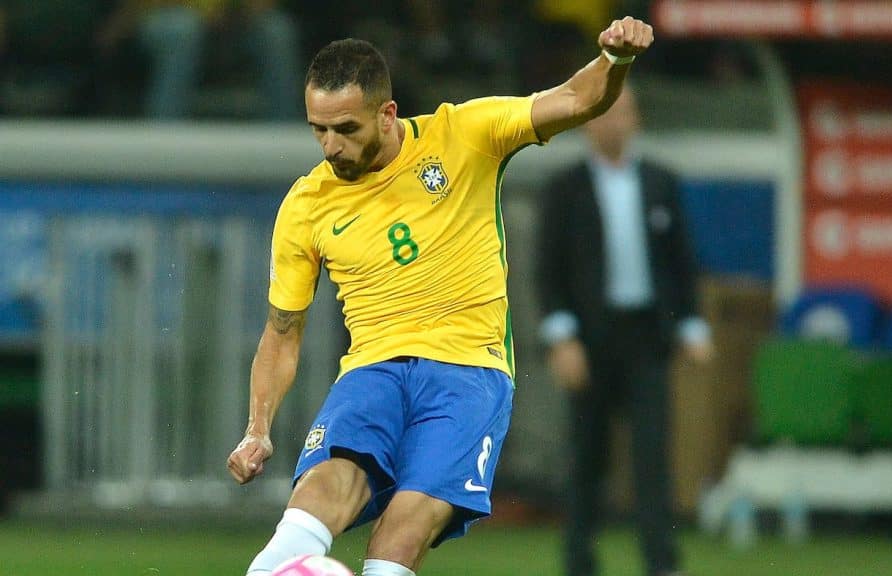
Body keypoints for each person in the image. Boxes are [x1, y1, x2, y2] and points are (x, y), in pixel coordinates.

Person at [225, 16, 655, 576]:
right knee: (311, 508)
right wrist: (258, 428)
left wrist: (615, 60)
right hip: (371, 371)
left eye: (346, 129)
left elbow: (577, 97)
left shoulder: (465, 134)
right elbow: (282, 332)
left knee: (403, 531)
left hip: (468, 374)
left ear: (387, 114)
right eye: (318, 130)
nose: (331, 146)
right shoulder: (307, 204)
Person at [536, 86, 711, 576]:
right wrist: (561, 338)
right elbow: (548, 272)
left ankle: (662, 563)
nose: (615, 122)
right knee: (586, 460)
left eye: (625, 112)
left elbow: (681, 263)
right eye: (606, 113)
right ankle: (579, 562)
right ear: (589, 120)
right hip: (589, 339)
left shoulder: (661, 183)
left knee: (653, 457)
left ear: (637, 120)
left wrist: (692, 326)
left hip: (646, 338)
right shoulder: (564, 189)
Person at [96, 0, 302, 119]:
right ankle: (164, 137)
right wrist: (204, 12)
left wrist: (244, 12)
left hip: (232, 25)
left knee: (277, 31)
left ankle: (281, 137)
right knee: (183, 29)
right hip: (161, 17)